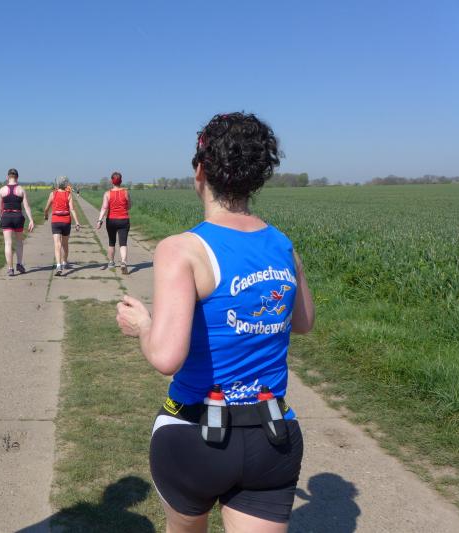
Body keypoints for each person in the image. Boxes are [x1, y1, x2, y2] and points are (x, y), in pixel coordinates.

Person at [116, 113, 315, 533]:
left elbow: (167, 358)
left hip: (196, 433)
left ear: (200, 171)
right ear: (258, 176)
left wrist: (144, 326)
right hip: (271, 437)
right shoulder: (283, 245)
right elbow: (304, 322)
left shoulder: (182, 249)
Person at [0, 168, 35, 276]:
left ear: (7, 177)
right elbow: (26, 207)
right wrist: (31, 220)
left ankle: (10, 269)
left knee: (8, 243)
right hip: (18, 216)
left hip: (6, 217)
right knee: (19, 242)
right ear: (17, 177)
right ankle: (19, 264)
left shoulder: (2, 190)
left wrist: (1, 218)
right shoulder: (21, 190)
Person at [95, 171, 131, 274]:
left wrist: (99, 220)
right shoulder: (126, 192)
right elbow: (129, 206)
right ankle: (123, 262)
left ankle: (111, 262)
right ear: (121, 181)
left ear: (112, 181)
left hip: (111, 220)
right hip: (124, 220)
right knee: (123, 243)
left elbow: (104, 208)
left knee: (112, 242)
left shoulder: (107, 194)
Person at [43, 176, 81, 276]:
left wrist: (46, 215)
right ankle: (64, 261)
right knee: (65, 243)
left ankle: (58, 265)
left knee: (57, 244)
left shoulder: (53, 194)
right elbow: (72, 209)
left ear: (57, 184)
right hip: (66, 221)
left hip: (56, 221)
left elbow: (46, 208)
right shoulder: (68, 194)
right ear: (65, 184)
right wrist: (77, 222)